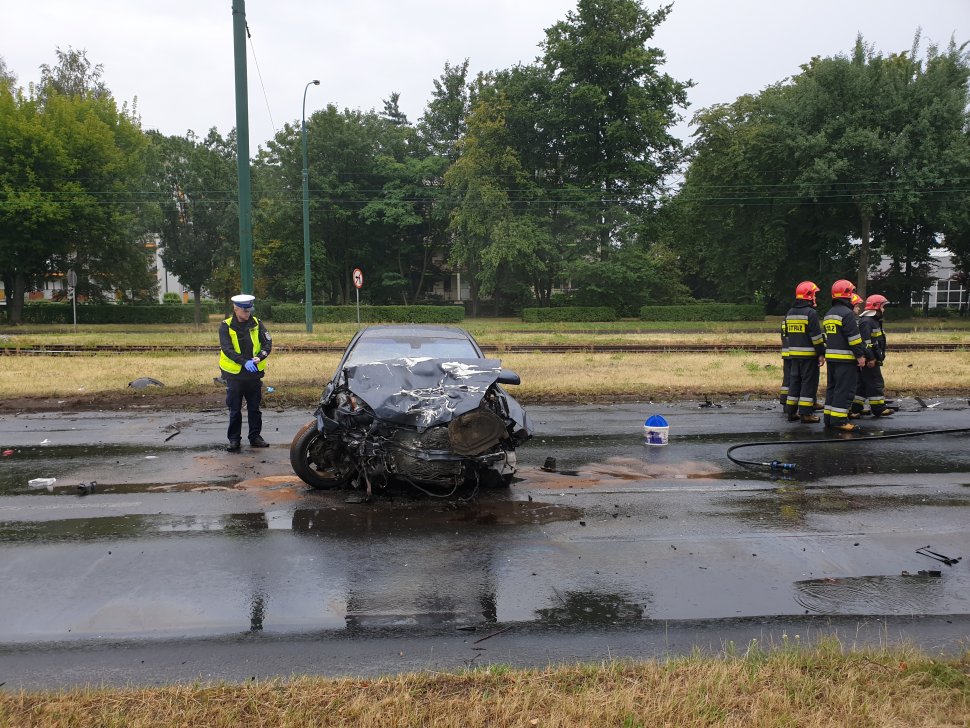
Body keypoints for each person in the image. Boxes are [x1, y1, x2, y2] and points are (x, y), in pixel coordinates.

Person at [219, 294, 273, 451]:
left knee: (254, 408)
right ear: (236, 309)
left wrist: (261, 356)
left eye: (249, 310)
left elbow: (267, 343)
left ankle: (255, 437)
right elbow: (227, 349)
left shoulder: (257, 323)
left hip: (254, 374)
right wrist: (244, 362)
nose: (248, 313)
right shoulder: (226, 326)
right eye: (244, 310)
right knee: (235, 409)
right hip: (234, 375)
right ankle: (234, 440)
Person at [822, 280, 871, 431]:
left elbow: (826, 338)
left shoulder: (829, 313)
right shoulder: (847, 314)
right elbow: (854, 339)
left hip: (832, 359)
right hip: (846, 360)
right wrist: (861, 356)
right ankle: (839, 420)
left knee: (832, 389)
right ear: (848, 294)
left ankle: (829, 418)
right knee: (844, 390)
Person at [783, 281, 826, 423]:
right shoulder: (811, 313)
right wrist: (821, 353)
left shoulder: (790, 312)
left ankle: (791, 412)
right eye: (814, 294)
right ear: (810, 295)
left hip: (794, 355)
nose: (815, 297)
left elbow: (788, 334)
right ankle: (806, 414)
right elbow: (816, 337)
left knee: (794, 382)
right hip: (809, 356)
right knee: (808, 383)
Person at [852, 294, 892, 418]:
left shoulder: (873, 321)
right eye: (883, 306)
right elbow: (865, 343)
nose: (884, 309)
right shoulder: (867, 322)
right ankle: (878, 408)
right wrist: (871, 358)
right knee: (875, 382)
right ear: (876, 307)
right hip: (870, 360)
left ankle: (855, 409)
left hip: (872, 358)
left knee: (863, 385)